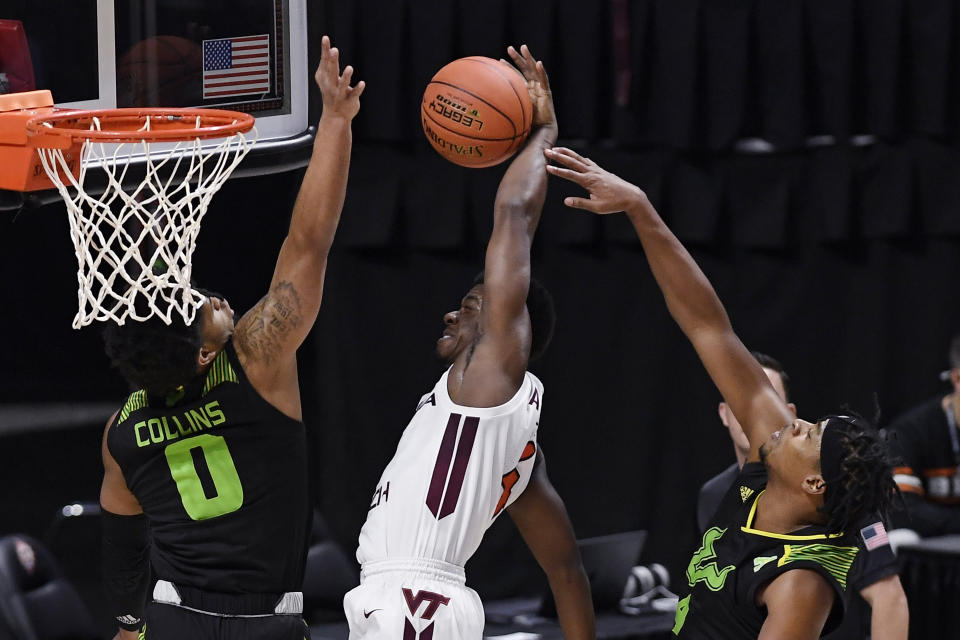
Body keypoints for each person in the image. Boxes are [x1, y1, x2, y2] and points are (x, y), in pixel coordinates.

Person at [544, 146, 904, 640]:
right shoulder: (764, 474)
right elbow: (708, 326)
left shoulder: (801, 582)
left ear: (815, 485)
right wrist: (639, 207)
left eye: (809, 435)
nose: (795, 423)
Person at [98, 35, 363, 640]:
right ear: (203, 353)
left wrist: (127, 625)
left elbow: (120, 538)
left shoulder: (121, 433)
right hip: (262, 626)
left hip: (172, 622)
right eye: (203, 310)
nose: (214, 300)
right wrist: (336, 124)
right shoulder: (255, 362)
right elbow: (308, 244)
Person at [343, 46, 594, 640]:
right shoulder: (515, 446)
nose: (455, 310)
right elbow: (565, 569)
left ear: (511, 333)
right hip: (409, 601)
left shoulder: (488, 378)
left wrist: (543, 135)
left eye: (476, 304)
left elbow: (513, 216)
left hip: (413, 603)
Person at [697, 353, 907, 640]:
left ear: (787, 410)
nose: (749, 408)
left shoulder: (844, 504)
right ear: (723, 412)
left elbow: (889, 597)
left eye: (762, 399)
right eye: (738, 398)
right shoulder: (716, 493)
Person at [888, 332, 960, 535]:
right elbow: (903, 510)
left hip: (942, 526)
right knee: (900, 537)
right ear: (957, 378)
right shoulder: (910, 431)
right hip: (930, 549)